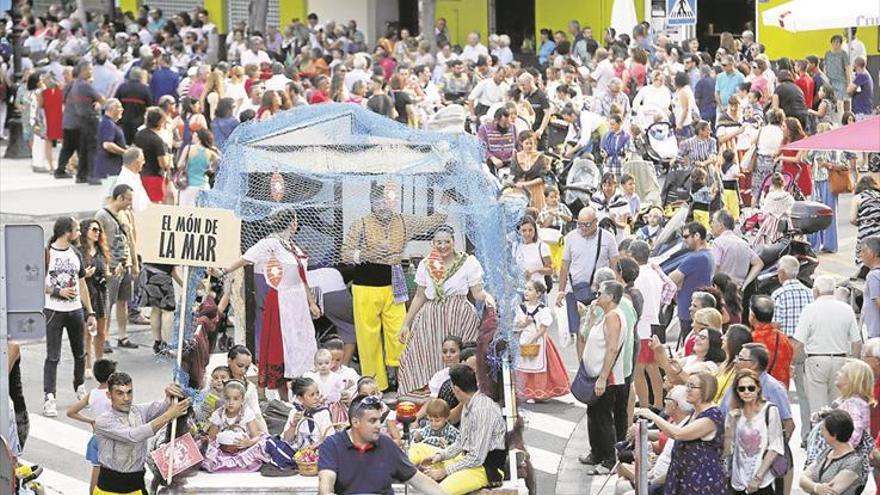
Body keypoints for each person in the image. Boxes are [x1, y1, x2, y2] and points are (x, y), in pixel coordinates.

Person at [341, 184, 447, 392]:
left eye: (385, 201)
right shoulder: (361, 224)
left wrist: (445, 203)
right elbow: (345, 253)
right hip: (365, 285)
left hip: (394, 283)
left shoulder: (404, 221)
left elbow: (432, 222)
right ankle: (375, 385)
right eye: (377, 202)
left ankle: (402, 379)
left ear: (392, 201)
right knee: (367, 336)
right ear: (371, 204)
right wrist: (365, 255)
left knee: (400, 331)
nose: (382, 206)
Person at [222, 209, 321, 402]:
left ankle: (300, 396)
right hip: (282, 302)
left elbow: (303, 279)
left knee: (300, 347)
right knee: (283, 348)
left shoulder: (292, 246)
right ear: (291, 223)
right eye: (295, 220)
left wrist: (311, 302)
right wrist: (224, 271)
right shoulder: (271, 244)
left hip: (298, 303)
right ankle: (285, 399)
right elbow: (247, 258)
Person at [398, 225, 494, 396]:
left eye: (447, 242)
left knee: (462, 356)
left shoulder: (467, 262)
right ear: (433, 244)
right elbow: (420, 296)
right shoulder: (426, 264)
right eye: (438, 242)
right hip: (430, 316)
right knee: (422, 354)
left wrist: (488, 298)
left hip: (460, 315)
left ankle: (463, 391)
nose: (443, 246)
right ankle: (431, 393)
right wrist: (406, 323)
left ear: (454, 242)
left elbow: (477, 292)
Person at [317, 394, 446, 495]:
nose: (379, 425)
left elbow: (418, 480)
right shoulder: (332, 445)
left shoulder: (386, 444)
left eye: (379, 420)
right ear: (355, 422)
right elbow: (325, 486)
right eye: (372, 421)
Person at [408, 364, 507, 494]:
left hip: (484, 469)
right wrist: (441, 455)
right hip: (465, 458)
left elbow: (477, 458)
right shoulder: (468, 403)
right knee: (418, 449)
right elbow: (461, 442)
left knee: (436, 492)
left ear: (456, 389)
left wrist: (444, 471)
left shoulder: (483, 409)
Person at [93, 373, 190, 495]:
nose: (126, 398)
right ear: (109, 395)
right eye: (120, 393)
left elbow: (163, 407)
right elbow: (133, 436)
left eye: (129, 392)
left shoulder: (138, 411)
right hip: (110, 490)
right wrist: (169, 415)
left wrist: (171, 395)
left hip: (137, 486)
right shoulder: (103, 421)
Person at [635, 372, 727, 493]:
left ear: (705, 390)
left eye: (691, 387)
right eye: (687, 386)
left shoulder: (711, 416)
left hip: (701, 479)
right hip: (683, 476)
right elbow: (671, 433)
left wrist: (652, 416)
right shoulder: (695, 413)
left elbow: (679, 434)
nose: (687, 390)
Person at [43, 216, 97, 417]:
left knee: (79, 353)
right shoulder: (47, 254)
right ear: (67, 232)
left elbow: (82, 283)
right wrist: (58, 292)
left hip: (75, 310)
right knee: (53, 356)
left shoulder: (75, 253)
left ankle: (79, 387)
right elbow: (35, 282)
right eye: (76, 229)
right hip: (54, 310)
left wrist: (89, 311)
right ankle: (49, 397)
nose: (80, 233)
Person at [578, 280, 627, 474]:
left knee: (603, 418)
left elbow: (612, 348)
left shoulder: (613, 316)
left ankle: (608, 460)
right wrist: (589, 314)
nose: (596, 296)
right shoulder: (605, 315)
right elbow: (585, 334)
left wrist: (603, 378)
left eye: (600, 294)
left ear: (611, 297)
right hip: (597, 374)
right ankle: (597, 453)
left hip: (606, 376)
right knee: (595, 415)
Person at [796, 275, 862, 417]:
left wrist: (792, 364)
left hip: (816, 360)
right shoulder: (846, 309)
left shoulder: (810, 309)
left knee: (818, 409)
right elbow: (857, 342)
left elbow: (799, 342)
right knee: (838, 407)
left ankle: (819, 437)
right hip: (840, 361)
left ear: (816, 291)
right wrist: (854, 363)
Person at [804, 360, 875, 491]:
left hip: (840, 466)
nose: (837, 373)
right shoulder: (843, 401)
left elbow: (853, 436)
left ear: (852, 380)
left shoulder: (853, 404)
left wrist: (834, 453)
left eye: (842, 372)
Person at [555, 207, 619, 336]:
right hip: (574, 291)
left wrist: (616, 290)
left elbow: (615, 265)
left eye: (587, 224)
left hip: (599, 292)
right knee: (579, 332)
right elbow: (564, 265)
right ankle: (582, 357)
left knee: (597, 330)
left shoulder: (608, 238)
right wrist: (561, 290)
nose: (583, 228)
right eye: (580, 224)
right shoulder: (571, 238)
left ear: (596, 221)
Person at [724, 369, 785, 495]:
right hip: (738, 481)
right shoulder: (735, 413)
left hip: (762, 480)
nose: (746, 392)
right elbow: (727, 450)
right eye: (741, 389)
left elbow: (775, 446)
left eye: (751, 388)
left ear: (758, 389)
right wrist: (730, 425)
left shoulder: (770, 410)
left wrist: (758, 477)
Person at [66, 359, 116, 495]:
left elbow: (71, 412)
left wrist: (91, 421)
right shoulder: (113, 395)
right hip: (111, 438)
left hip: (96, 437)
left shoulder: (92, 393)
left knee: (96, 470)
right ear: (112, 376)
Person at [515, 279, 570, 401]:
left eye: (530, 289)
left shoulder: (543, 309)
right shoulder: (521, 308)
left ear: (538, 293)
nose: (526, 292)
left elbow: (543, 328)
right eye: (526, 289)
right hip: (524, 338)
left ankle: (539, 392)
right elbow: (518, 326)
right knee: (524, 365)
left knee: (540, 365)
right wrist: (525, 323)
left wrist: (533, 339)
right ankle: (526, 391)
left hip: (539, 340)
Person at [203, 379, 269, 473]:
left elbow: (257, 437)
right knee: (205, 449)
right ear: (223, 398)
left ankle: (240, 464)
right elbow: (211, 438)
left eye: (235, 399)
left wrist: (248, 442)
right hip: (223, 450)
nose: (231, 402)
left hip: (243, 449)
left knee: (262, 443)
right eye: (227, 398)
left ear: (242, 399)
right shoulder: (218, 414)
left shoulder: (247, 413)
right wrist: (220, 442)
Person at [56, 61, 104, 184]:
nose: (91, 72)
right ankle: (92, 174)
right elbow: (101, 99)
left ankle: (81, 174)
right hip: (85, 119)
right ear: (83, 71)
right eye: (90, 70)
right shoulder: (85, 85)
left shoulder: (74, 85)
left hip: (76, 120)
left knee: (80, 148)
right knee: (90, 148)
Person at [669, 222, 714, 348]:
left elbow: (671, 279)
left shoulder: (695, 258)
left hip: (689, 311)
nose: (684, 240)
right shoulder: (708, 255)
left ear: (697, 236)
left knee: (690, 347)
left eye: (686, 236)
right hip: (697, 309)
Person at [800, 410, 866, 495]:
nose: (821, 434)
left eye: (823, 430)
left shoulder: (853, 462)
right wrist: (816, 487)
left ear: (834, 434)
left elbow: (829, 492)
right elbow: (802, 479)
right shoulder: (827, 452)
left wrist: (810, 485)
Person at [79, 219, 110, 373]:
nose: (97, 233)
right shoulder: (79, 251)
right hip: (87, 293)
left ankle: (100, 362)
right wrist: (85, 274)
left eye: (99, 230)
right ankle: (87, 365)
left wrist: (113, 273)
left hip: (101, 293)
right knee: (87, 333)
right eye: (94, 230)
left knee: (101, 332)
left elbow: (106, 273)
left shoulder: (101, 250)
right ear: (85, 231)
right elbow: (75, 275)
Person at [749, 295, 794, 388]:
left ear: (752, 316)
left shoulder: (750, 340)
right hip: (779, 389)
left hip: (756, 392)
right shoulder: (783, 338)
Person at [709, 209, 763, 288]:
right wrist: (745, 285)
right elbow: (758, 263)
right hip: (737, 291)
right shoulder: (744, 244)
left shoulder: (718, 243)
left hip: (721, 290)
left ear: (721, 225)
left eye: (713, 222)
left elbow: (715, 267)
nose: (711, 225)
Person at [747, 109, 785, 208]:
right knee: (774, 189)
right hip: (774, 162)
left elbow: (752, 142)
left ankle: (753, 213)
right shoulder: (782, 132)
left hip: (760, 161)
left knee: (756, 191)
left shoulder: (762, 130)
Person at [134, 107, 172, 203]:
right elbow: (163, 164)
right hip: (154, 177)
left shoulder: (139, 134)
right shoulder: (158, 141)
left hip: (141, 174)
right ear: (160, 121)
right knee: (156, 204)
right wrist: (168, 157)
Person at [177, 128, 220, 207]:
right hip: (203, 186)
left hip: (187, 185)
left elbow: (179, 165)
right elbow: (216, 166)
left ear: (199, 137)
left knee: (185, 212)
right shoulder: (210, 152)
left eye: (194, 136)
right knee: (200, 213)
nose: (193, 137)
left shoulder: (188, 148)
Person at [511, 130, 551, 210]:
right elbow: (513, 175)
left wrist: (526, 184)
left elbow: (543, 178)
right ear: (521, 143)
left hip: (536, 190)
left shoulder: (540, 157)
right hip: (520, 191)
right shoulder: (516, 157)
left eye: (531, 143)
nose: (529, 146)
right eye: (527, 143)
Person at [114, 67, 153, 145]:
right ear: (140, 76)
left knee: (123, 144)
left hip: (123, 121)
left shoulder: (122, 87)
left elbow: (115, 102)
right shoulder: (145, 89)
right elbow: (150, 107)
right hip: (139, 123)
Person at [512, 215, 553, 287]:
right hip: (521, 289)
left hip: (537, 290)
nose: (527, 234)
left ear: (535, 230)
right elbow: (513, 266)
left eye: (530, 230)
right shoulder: (515, 246)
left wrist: (535, 270)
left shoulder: (542, 246)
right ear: (519, 231)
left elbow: (550, 270)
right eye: (524, 230)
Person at [94, 99, 127, 180]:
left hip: (112, 166)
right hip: (109, 167)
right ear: (112, 109)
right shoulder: (108, 124)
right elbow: (107, 145)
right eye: (119, 107)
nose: (122, 110)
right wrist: (125, 152)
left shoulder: (110, 123)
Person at [852, 176, 880, 267]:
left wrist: (862, 223)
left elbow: (852, 219)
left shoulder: (857, 197)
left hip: (865, 230)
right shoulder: (878, 195)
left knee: (863, 254)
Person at [861, 237, 880, 339]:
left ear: (873, 254)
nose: (861, 255)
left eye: (864, 251)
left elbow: (878, 301)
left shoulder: (873, 276)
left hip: (876, 334)